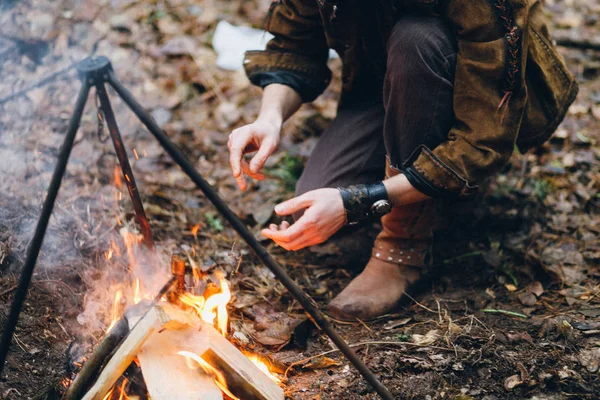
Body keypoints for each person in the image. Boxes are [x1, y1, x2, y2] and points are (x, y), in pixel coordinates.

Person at [227, 0, 578, 321]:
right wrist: (269, 118)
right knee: (312, 208)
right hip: (380, 79)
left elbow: (481, 140)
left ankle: (403, 246)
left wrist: (358, 201)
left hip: (467, 92)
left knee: (416, 40)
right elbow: (294, 44)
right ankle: (406, 152)